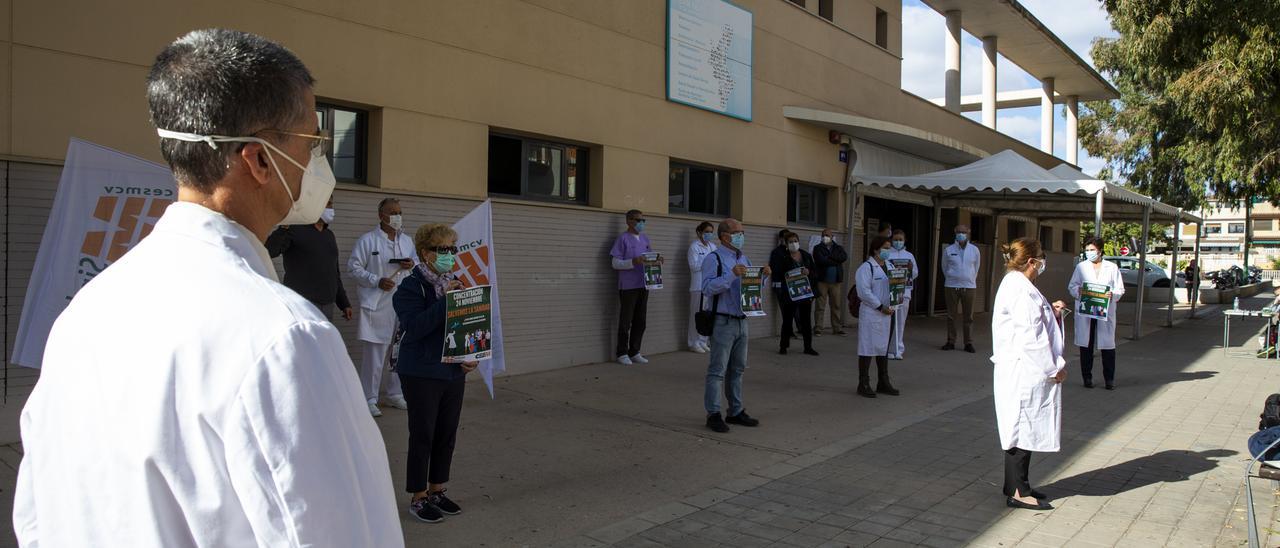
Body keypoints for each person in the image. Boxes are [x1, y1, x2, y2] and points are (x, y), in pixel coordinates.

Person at [13, 29, 402, 547]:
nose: (318, 163)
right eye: (312, 144)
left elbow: (36, 517)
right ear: (259, 160)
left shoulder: (86, 311)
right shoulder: (285, 339)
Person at [393, 223, 477, 524]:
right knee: (423, 434)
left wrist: (471, 356)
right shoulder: (410, 288)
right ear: (426, 253)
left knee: (446, 433)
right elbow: (414, 329)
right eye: (444, 250)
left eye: (454, 249)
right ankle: (418, 496)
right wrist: (445, 302)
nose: (451, 255)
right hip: (421, 371)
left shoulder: (456, 283)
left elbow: (468, 326)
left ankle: (437, 489)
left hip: (453, 371)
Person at [991, 237, 1067, 511]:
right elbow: (1031, 337)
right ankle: (1018, 492)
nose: (1043, 263)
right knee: (1020, 429)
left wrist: (1053, 312)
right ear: (1032, 261)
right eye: (1042, 258)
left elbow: (1035, 321)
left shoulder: (1019, 284)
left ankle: (1016, 484)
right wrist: (1053, 369)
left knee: (1023, 427)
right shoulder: (1021, 290)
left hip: (1023, 368)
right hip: (1024, 369)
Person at [702, 219, 771, 433]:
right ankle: (713, 414)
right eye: (737, 232)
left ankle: (736, 410)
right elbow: (706, 288)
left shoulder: (743, 257)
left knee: (738, 369)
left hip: (742, 320)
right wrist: (731, 275)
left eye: (742, 232)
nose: (742, 235)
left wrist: (764, 277)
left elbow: (750, 287)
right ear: (724, 236)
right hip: (723, 320)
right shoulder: (714, 258)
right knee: (717, 370)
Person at [349, 198, 415, 416]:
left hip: (402, 304)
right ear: (381, 215)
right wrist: (376, 280)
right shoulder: (368, 241)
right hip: (378, 304)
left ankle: (395, 393)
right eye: (392, 212)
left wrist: (411, 264)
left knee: (399, 351)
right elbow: (354, 268)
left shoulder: (407, 241)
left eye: (399, 212)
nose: (397, 216)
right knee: (375, 354)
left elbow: (416, 265)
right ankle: (369, 397)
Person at [266, 197, 354, 321]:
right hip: (302, 304)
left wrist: (344, 303)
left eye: (331, 204)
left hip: (327, 304)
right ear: (314, 206)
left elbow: (334, 272)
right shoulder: (294, 230)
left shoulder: (329, 235)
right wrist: (284, 227)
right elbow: (270, 250)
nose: (331, 208)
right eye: (327, 204)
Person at [1069, 237, 1125, 390]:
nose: (1089, 253)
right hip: (1086, 310)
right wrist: (1077, 291)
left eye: (1092, 250)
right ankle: (1087, 377)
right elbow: (1072, 286)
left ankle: (1109, 379)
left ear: (1100, 250)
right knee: (1086, 344)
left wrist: (1112, 295)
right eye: (1087, 250)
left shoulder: (1112, 268)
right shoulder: (1081, 267)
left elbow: (1120, 289)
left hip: (1104, 311)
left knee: (1107, 345)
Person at [610, 209, 662, 365]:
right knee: (626, 320)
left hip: (643, 284)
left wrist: (658, 260)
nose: (641, 223)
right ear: (628, 221)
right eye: (638, 220)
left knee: (640, 320)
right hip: (628, 286)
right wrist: (633, 262)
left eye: (643, 220)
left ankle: (635, 351)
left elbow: (650, 257)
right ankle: (622, 353)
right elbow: (615, 263)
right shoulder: (622, 239)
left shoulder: (645, 239)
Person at [854, 236, 900, 398]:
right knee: (867, 347)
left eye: (889, 248)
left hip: (888, 313)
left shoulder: (890, 266)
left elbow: (897, 286)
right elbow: (863, 292)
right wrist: (880, 306)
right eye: (885, 248)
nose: (888, 251)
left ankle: (883, 381)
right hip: (872, 313)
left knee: (883, 348)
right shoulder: (866, 268)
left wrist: (895, 303)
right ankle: (863, 382)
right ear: (875, 249)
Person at [769, 231, 819, 356]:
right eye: (790, 242)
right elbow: (777, 272)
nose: (794, 244)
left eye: (795, 241)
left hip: (805, 292)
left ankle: (808, 347)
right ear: (786, 244)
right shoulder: (782, 256)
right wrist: (789, 274)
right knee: (787, 319)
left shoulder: (806, 255)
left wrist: (809, 272)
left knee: (806, 320)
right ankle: (783, 346)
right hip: (790, 292)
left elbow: (814, 272)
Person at [942, 224, 981, 353]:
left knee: (968, 316)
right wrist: (953, 277)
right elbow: (944, 267)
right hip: (951, 286)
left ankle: (968, 343)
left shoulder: (974, 250)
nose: (961, 234)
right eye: (958, 232)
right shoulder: (949, 249)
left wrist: (969, 279)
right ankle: (950, 341)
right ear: (955, 232)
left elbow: (976, 268)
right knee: (951, 316)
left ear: (968, 232)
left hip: (969, 286)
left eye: (963, 232)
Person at [887, 229, 919, 360]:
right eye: (895, 239)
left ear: (904, 241)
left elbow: (916, 273)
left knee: (900, 322)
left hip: (904, 292)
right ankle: (888, 349)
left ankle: (898, 349)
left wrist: (910, 270)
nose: (898, 242)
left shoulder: (909, 256)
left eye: (900, 239)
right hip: (890, 292)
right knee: (889, 322)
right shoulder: (887, 253)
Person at [687, 221, 718, 353]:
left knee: (707, 315)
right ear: (699, 232)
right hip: (698, 286)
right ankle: (693, 342)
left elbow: (718, 263)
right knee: (696, 314)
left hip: (710, 286)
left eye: (711, 232)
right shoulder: (694, 247)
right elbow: (693, 266)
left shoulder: (713, 246)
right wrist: (708, 265)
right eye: (706, 232)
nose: (709, 234)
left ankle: (703, 340)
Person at [812, 228, 849, 336]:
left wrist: (828, 257)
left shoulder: (838, 248)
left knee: (836, 305)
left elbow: (843, 257)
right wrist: (834, 260)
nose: (825, 237)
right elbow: (820, 260)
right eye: (823, 235)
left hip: (836, 282)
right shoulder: (817, 248)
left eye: (827, 235)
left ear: (832, 237)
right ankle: (818, 328)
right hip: (822, 281)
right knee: (820, 306)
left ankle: (837, 328)